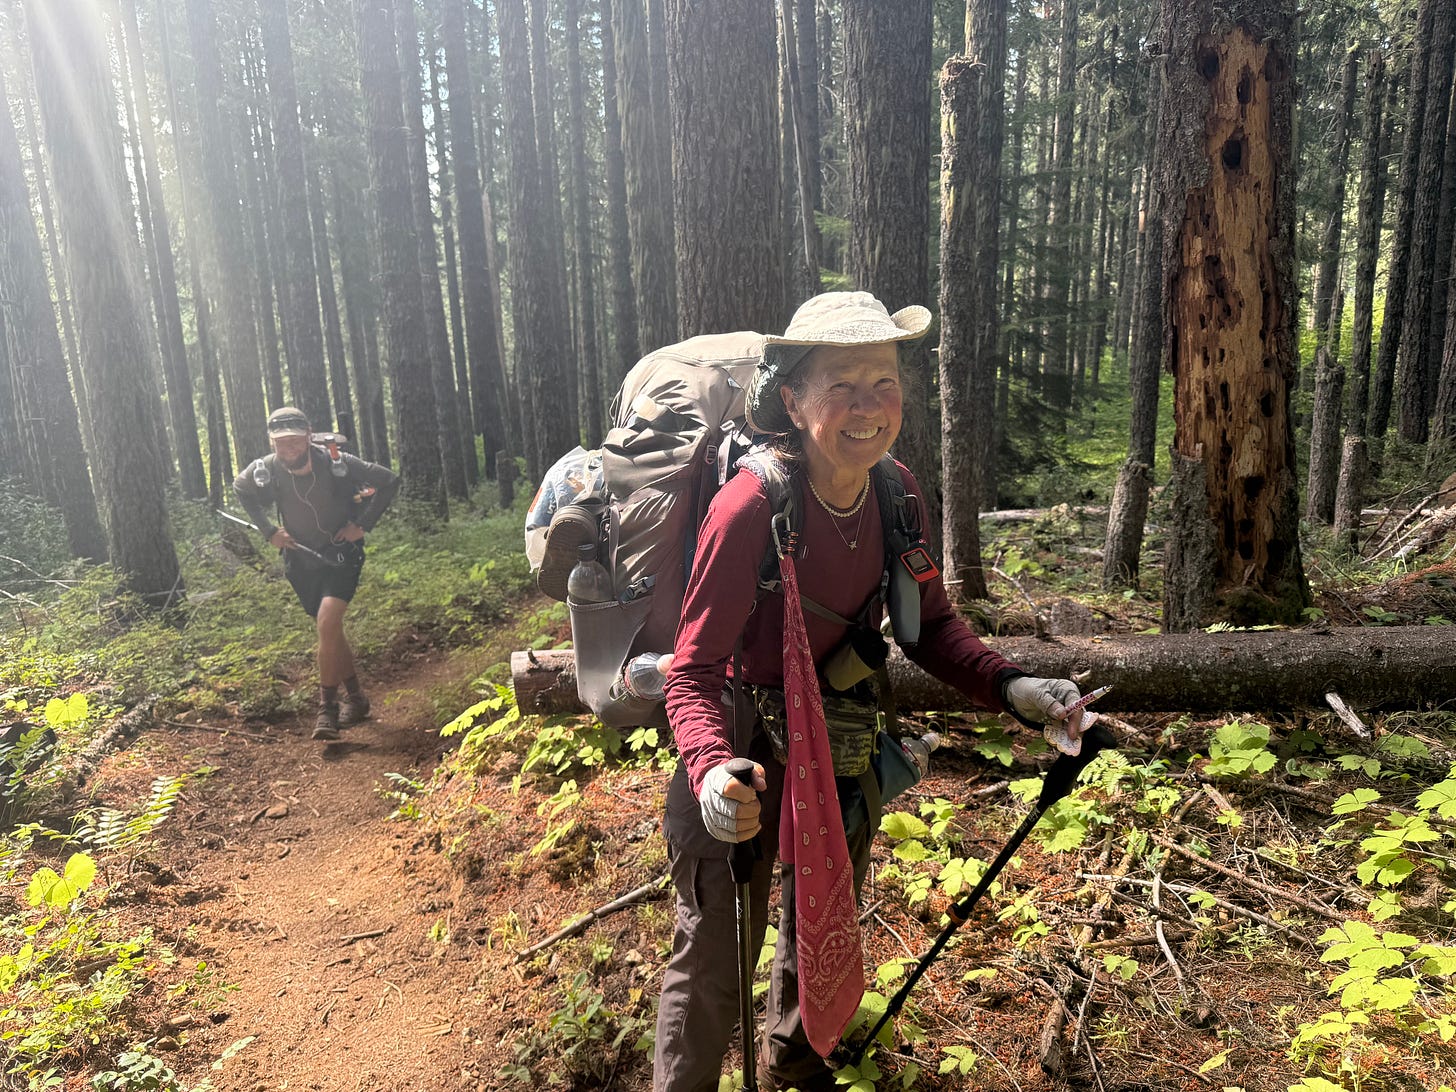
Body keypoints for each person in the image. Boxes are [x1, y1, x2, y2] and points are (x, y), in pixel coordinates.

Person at [653, 292, 1088, 1092]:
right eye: (842, 386)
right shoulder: (748, 506)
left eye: (883, 382)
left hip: (838, 741)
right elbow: (693, 670)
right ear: (793, 401)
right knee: (714, 958)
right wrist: (711, 770)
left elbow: (930, 628)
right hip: (741, 748)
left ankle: (796, 1067)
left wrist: (1013, 685)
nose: (868, 407)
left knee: (820, 924)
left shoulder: (896, 493)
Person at [233, 407, 399, 741]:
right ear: (272, 441)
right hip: (300, 560)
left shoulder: (337, 463)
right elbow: (241, 489)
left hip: (341, 555)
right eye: (281, 442)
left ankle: (327, 710)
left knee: (326, 622)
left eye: (295, 441)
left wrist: (362, 525)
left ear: (309, 436)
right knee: (330, 629)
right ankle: (357, 698)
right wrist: (269, 530)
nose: (288, 448)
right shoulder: (265, 469)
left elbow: (389, 480)